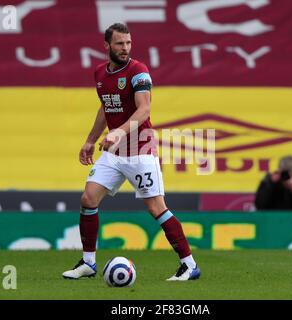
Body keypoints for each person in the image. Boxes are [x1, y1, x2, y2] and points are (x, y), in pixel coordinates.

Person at [62, 23, 200, 281]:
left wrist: (118, 132)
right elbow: (105, 108)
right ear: (107, 46)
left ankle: (189, 265)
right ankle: (88, 263)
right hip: (114, 152)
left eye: (128, 43)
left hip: (140, 149)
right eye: (119, 44)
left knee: (156, 207)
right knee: (88, 199)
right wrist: (90, 140)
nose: (125, 48)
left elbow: (144, 109)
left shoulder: (139, 72)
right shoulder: (99, 74)